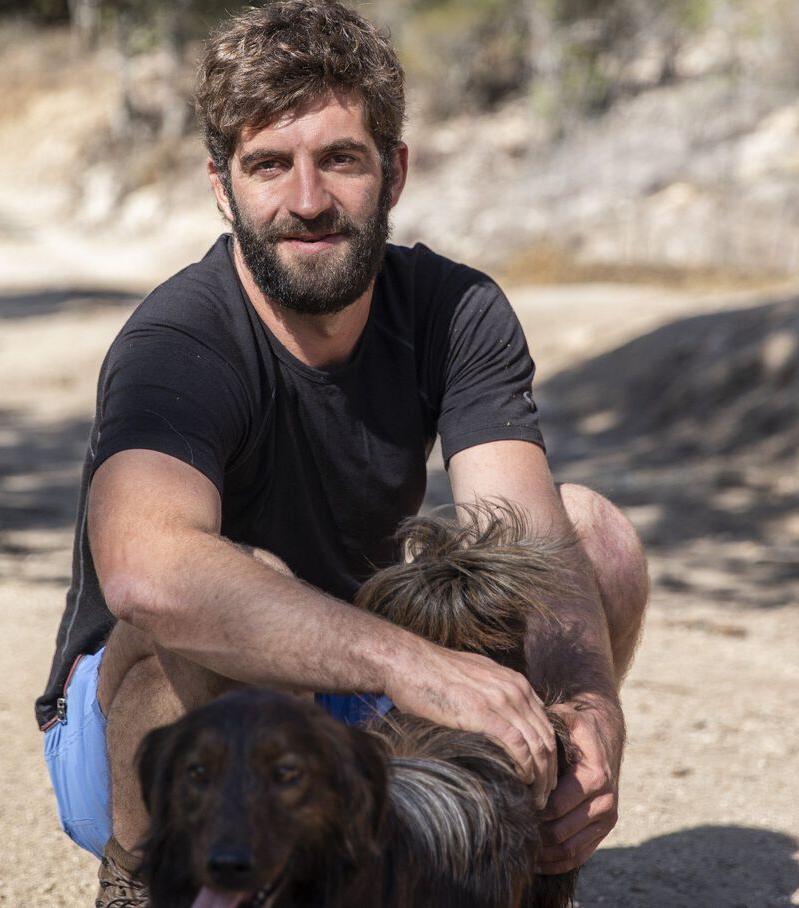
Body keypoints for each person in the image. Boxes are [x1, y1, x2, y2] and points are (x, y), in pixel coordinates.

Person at [35, 2, 649, 905]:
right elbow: (143, 574)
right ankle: (138, 876)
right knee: (216, 580)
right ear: (221, 185)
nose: (308, 200)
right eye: (269, 166)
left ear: (393, 172)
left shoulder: (455, 310)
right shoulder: (176, 341)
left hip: (351, 712)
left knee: (594, 534)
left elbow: (533, 547)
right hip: (152, 740)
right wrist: (419, 668)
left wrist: (590, 713)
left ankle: (534, 856)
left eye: (341, 160)